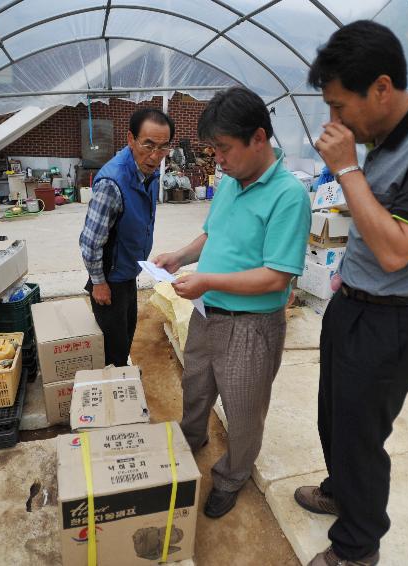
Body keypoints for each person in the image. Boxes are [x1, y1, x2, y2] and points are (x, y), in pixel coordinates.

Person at [293, 21, 408, 566]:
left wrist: (346, 167)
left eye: (339, 106)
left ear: (380, 88)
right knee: (334, 416)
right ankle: (341, 491)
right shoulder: (377, 137)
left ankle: (357, 546)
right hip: (352, 304)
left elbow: (398, 250)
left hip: (394, 322)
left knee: (362, 436)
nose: (334, 123)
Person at [154, 86, 311, 519]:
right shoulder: (228, 182)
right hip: (208, 314)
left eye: (224, 148)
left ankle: (231, 476)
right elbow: (213, 234)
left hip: (251, 327)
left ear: (258, 138)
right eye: (213, 149)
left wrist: (205, 280)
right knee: (196, 386)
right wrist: (182, 257)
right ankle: (191, 439)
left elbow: (276, 276)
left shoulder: (288, 196)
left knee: (243, 411)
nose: (217, 158)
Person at [79, 108, 175, 366]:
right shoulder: (113, 182)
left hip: (128, 271)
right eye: (148, 145)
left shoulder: (149, 174)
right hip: (110, 280)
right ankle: (115, 392)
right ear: (131, 139)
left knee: (126, 332)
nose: (155, 156)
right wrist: (99, 282)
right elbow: (90, 241)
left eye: (163, 148)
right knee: (114, 346)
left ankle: (121, 377)